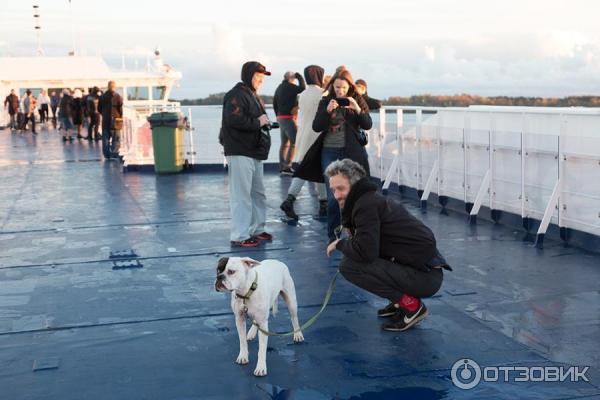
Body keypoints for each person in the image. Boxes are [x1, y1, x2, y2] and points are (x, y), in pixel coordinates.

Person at [325, 158, 451, 331]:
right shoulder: (368, 199)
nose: (336, 195)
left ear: (354, 186)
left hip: (425, 278)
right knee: (356, 254)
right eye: (333, 190)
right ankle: (399, 302)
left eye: (341, 188)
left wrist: (340, 244)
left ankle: (411, 306)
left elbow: (366, 253)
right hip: (424, 271)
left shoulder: (365, 206)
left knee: (349, 265)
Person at [294, 69, 372, 242]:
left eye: (343, 88)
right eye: (337, 87)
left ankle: (355, 233)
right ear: (332, 86)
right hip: (330, 151)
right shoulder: (325, 100)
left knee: (354, 194)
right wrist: (327, 111)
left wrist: (357, 108)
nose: (340, 91)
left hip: (351, 152)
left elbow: (367, 124)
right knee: (333, 197)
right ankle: (333, 236)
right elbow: (316, 126)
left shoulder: (356, 99)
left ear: (349, 87)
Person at [219, 61, 274, 248]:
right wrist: (258, 122)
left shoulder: (252, 95)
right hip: (240, 151)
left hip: (254, 152)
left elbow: (252, 120)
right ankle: (240, 235)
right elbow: (233, 119)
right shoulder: (236, 95)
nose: (260, 80)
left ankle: (257, 229)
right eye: (258, 76)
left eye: (262, 77)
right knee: (241, 195)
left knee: (258, 193)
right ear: (248, 75)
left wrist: (264, 123)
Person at [280, 65, 328, 220]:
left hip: (303, 135)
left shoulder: (302, 94)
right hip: (317, 136)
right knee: (309, 170)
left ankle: (323, 204)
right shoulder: (323, 94)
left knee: (314, 170)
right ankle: (290, 200)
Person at [273, 71, 306, 175]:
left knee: (284, 144)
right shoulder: (290, 86)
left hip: (281, 117)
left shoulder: (279, 87)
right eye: (294, 78)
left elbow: (274, 103)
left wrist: (277, 116)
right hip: (287, 118)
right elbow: (302, 88)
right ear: (290, 78)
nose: (295, 80)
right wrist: (299, 76)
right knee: (296, 141)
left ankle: (283, 167)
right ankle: (287, 167)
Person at [98, 80, 123, 159]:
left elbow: (99, 109)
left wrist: (104, 114)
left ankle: (106, 155)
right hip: (115, 120)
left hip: (106, 120)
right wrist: (120, 116)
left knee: (105, 138)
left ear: (108, 87)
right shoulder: (118, 96)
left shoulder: (102, 96)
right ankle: (114, 153)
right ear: (114, 87)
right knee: (116, 138)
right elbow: (120, 108)